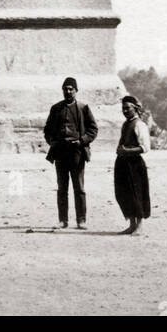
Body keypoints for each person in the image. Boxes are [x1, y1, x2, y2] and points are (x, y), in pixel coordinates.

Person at [44, 77, 98, 229]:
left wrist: (82, 141)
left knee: (79, 187)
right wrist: (52, 142)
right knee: (62, 188)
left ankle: (81, 220)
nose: (68, 91)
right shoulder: (55, 109)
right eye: (65, 89)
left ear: (76, 91)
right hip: (60, 152)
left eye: (70, 89)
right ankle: (63, 220)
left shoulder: (83, 108)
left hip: (77, 152)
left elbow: (93, 129)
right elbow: (47, 130)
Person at [114, 94, 151, 234]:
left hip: (134, 164)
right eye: (123, 108)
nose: (125, 111)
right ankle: (132, 224)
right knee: (124, 193)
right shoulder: (125, 124)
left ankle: (140, 226)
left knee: (136, 194)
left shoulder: (139, 125)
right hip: (123, 164)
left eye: (128, 108)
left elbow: (145, 147)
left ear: (135, 108)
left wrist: (127, 150)